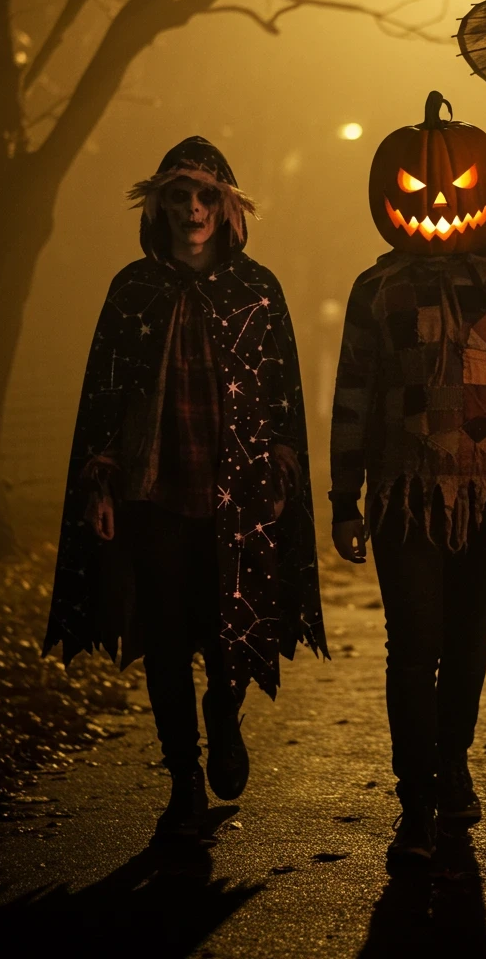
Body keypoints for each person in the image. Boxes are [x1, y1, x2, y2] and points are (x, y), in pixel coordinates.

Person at [44, 136, 327, 839]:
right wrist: (101, 486)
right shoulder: (131, 290)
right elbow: (104, 401)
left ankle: (225, 718)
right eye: (178, 196)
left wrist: (282, 472)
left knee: (227, 633)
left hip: (233, 497)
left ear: (227, 207)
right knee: (166, 639)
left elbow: (282, 395)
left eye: (205, 196)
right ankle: (183, 782)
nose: (192, 209)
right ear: (159, 205)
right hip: (154, 498)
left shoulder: (257, 290)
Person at [329, 91, 486, 868]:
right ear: (388, 198)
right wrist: (343, 499)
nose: (436, 204)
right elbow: (352, 391)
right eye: (419, 191)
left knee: (466, 639)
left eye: (455, 191)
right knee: (412, 642)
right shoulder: (377, 288)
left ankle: (450, 760)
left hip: (485, 497)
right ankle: (415, 798)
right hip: (402, 495)